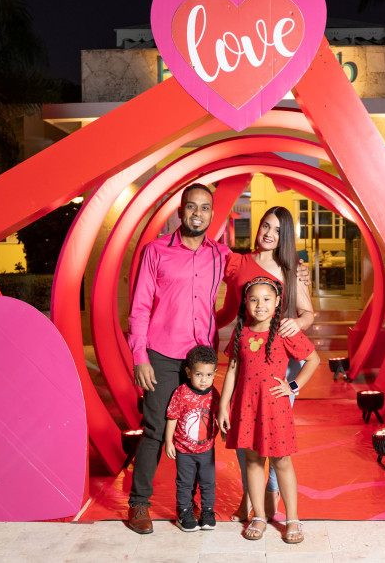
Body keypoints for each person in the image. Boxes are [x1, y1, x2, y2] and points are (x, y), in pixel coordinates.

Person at [126, 183, 226, 534]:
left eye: (204, 207)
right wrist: (140, 356)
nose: (197, 213)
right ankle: (139, 504)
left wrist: (297, 275)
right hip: (162, 355)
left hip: (202, 360)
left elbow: (256, 274)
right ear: (180, 211)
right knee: (155, 430)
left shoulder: (220, 254)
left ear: (212, 214)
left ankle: (191, 503)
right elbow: (139, 307)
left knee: (198, 433)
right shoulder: (156, 251)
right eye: (191, 207)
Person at [216, 206, 315, 522]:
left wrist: (296, 324)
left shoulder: (291, 270)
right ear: (257, 228)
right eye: (265, 226)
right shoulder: (239, 263)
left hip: (279, 362)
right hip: (247, 351)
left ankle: (269, 504)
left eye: (276, 229)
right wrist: (200, 327)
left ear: (285, 236)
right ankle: (254, 501)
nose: (269, 233)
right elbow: (232, 310)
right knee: (249, 434)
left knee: (271, 436)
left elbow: (308, 313)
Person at [218, 277, 321, 544]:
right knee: (252, 462)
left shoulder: (286, 332)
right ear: (245, 303)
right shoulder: (241, 333)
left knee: (282, 462)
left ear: (277, 303)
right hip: (245, 405)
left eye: (266, 299)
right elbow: (232, 370)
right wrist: (223, 406)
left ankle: (293, 519)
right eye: (254, 299)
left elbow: (313, 359)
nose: (259, 305)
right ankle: (259, 516)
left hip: (274, 406)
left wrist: (293, 386)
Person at [164, 345, 220, 532]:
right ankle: (185, 512)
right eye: (198, 374)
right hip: (184, 450)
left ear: (214, 373)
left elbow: (219, 417)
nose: (204, 380)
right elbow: (172, 417)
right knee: (185, 482)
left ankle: (207, 512)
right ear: (188, 372)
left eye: (209, 375)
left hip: (206, 449)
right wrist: (169, 441)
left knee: (208, 482)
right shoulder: (181, 392)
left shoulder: (215, 394)